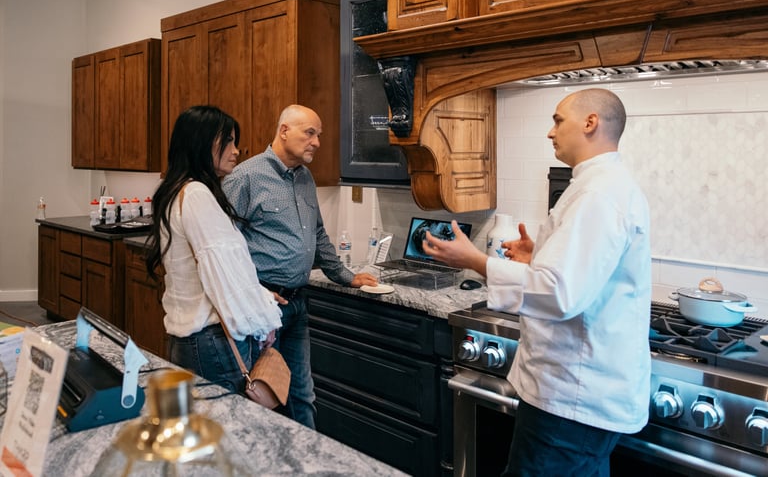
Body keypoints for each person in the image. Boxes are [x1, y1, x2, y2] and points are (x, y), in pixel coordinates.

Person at [422, 88, 651, 476]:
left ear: (590, 123)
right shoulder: (602, 186)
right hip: (576, 396)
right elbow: (583, 271)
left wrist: (476, 261)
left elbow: (559, 292)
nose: (550, 131)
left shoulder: (598, 194)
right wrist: (540, 253)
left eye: (558, 121)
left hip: (571, 400)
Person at [222, 104, 378, 429]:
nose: (316, 142)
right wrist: (254, 292)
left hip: (297, 305)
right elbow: (224, 246)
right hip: (262, 309)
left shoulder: (305, 178)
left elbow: (317, 234)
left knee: (302, 396)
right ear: (284, 131)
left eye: (318, 135)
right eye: (310, 133)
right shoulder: (245, 177)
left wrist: (345, 276)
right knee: (262, 399)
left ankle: (307, 457)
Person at [145, 105, 284, 394]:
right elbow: (224, 275)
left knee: (203, 418)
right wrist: (263, 318)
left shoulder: (176, 190)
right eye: (228, 141)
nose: (236, 150)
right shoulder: (196, 194)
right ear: (202, 143)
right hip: (213, 339)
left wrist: (258, 294)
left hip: (190, 338)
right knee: (228, 420)